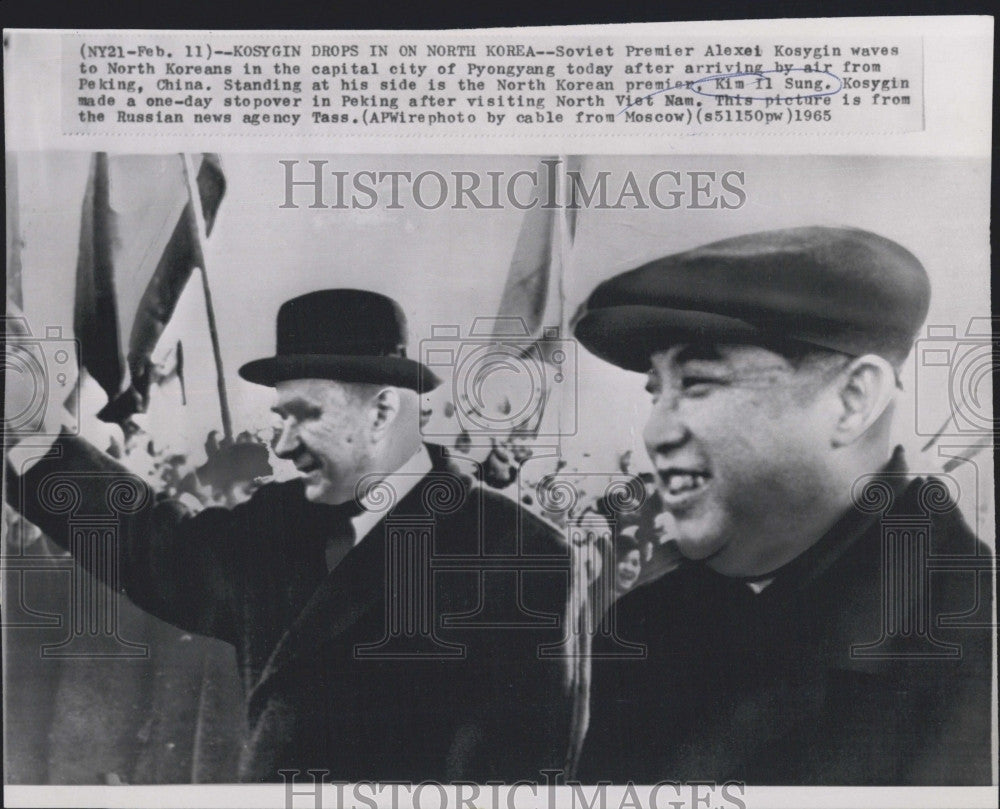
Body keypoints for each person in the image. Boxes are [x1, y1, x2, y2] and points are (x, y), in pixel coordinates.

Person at [6, 289, 573, 783]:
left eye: (304, 415)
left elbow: (507, 781)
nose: (281, 445)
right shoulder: (276, 526)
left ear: (380, 412)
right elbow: (149, 544)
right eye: (282, 417)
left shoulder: (518, 555)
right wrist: (29, 425)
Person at [571, 227, 993, 785]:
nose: (657, 431)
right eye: (657, 391)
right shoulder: (646, 622)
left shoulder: (972, 627)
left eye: (697, 383)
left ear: (852, 401)